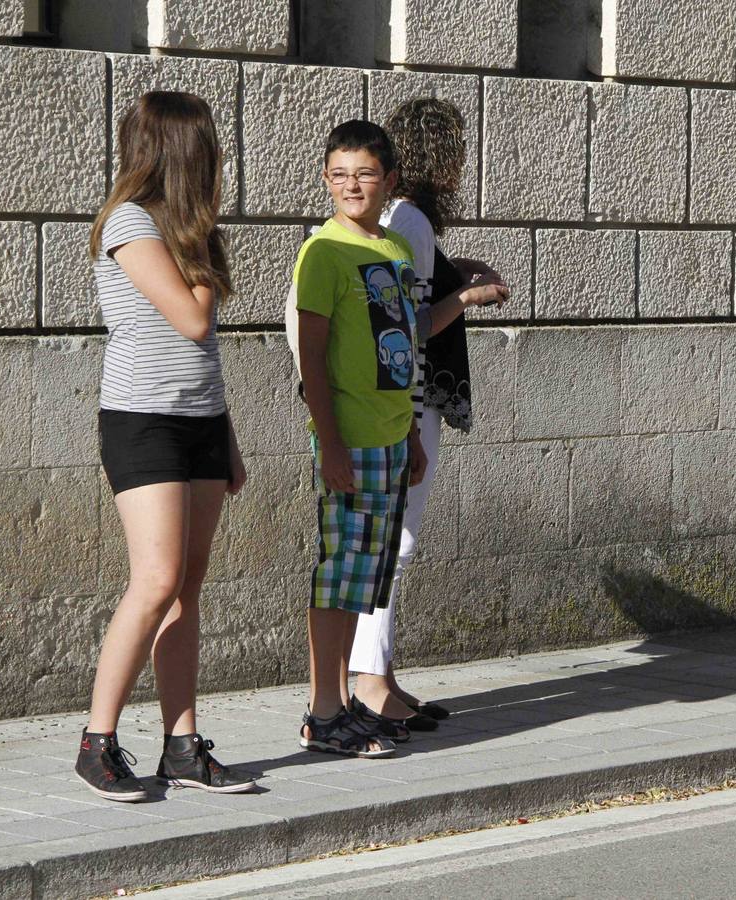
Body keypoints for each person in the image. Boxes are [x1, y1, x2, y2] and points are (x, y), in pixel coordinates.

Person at [292, 120, 504, 756]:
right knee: (340, 577)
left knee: (370, 577)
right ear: (326, 180)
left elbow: (402, 350)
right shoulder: (323, 252)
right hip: (349, 440)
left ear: (388, 182)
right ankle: (322, 713)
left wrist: (412, 431)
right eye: (339, 174)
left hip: (391, 436)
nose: (351, 186)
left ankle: (349, 702)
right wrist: (328, 443)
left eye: (364, 174)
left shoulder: (389, 252)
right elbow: (312, 357)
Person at [77, 91, 255, 800]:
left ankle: (182, 746)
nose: (219, 157)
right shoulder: (128, 222)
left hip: (200, 421)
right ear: (184, 152)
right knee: (154, 579)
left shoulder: (191, 232)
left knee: (187, 586)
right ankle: (97, 741)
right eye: (209, 145)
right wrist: (201, 250)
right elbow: (189, 318)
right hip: (140, 420)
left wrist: (228, 434)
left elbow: (203, 353)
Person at [347, 98, 508, 739]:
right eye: (458, 151)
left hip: (390, 400)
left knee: (378, 540)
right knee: (396, 541)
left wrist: (452, 273)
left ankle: (376, 676)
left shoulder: (390, 213)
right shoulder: (410, 218)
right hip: (407, 401)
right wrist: (468, 296)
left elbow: (406, 294)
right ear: (442, 156)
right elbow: (406, 326)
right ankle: (368, 682)